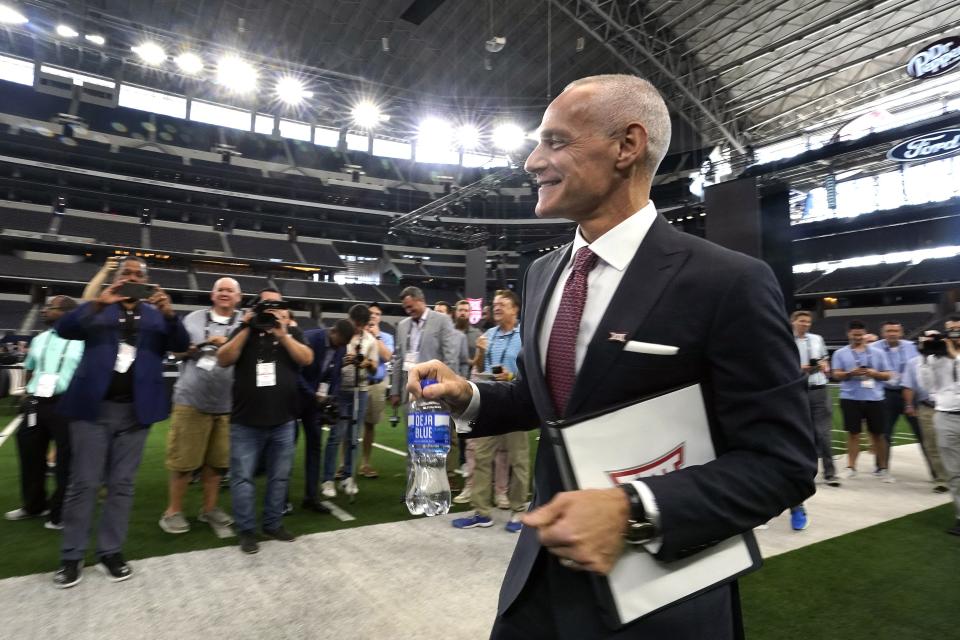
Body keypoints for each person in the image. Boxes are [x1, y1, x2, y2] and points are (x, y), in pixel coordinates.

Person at [407, 74, 815, 638]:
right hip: (536, 588)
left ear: (627, 145)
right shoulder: (544, 272)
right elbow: (545, 399)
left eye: (555, 141)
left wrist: (633, 508)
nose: (530, 161)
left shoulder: (729, 281)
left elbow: (782, 464)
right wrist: (469, 396)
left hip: (662, 601)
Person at [53, 257, 189, 588]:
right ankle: (72, 556)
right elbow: (62, 328)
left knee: (123, 485)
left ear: (147, 281)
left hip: (135, 413)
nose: (130, 277)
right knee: (83, 483)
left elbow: (182, 345)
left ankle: (111, 551)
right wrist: (98, 303)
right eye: (125, 273)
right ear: (116, 279)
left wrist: (171, 316)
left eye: (137, 274)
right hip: (93, 411)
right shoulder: (100, 308)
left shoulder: (158, 315)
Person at [216, 289, 313, 554]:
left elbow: (307, 359)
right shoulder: (243, 330)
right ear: (256, 307)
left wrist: (282, 334)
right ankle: (247, 530)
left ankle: (273, 523)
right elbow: (223, 359)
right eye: (266, 305)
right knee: (242, 478)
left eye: (277, 305)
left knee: (279, 477)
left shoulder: (291, 332)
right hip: (245, 421)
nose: (271, 310)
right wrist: (247, 326)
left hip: (283, 420)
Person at [159, 278, 242, 536]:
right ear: (212, 294)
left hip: (227, 404)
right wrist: (195, 348)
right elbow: (174, 351)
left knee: (216, 464)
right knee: (184, 462)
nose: (225, 293)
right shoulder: (194, 319)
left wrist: (226, 346)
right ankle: (172, 511)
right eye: (221, 290)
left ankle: (209, 508)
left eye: (230, 290)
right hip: (191, 400)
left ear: (239, 297)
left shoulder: (245, 323)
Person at [453, 289, 529, 534]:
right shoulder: (489, 334)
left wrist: (512, 375)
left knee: (518, 460)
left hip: (516, 403)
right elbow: (481, 368)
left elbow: (533, 370)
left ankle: (519, 511)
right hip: (491, 403)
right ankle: (481, 512)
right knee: (482, 458)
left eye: (503, 304)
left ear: (515, 309)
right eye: (495, 304)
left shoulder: (525, 335)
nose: (496, 308)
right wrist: (482, 351)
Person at [6, 296, 83, 530]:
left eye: (51, 307)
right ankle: (33, 505)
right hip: (37, 403)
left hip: (67, 403)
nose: (44, 310)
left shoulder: (83, 340)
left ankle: (59, 511)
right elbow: (29, 368)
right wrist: (25, 395)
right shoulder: (39, 339)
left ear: (67, 313)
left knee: (66, 461)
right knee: (29, 455)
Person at [321, 304, 378, 498]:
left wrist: (365, 363)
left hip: (360, 390)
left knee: (354, 436)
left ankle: (348, 476)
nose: (359, 328)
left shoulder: (370, 341)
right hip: (340, 390)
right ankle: (328, 479)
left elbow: (374, 368)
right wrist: (344, 361)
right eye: (357, 324)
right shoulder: (340, 335)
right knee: (336, 435)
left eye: (363, 325)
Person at [298, 318, 352, 510]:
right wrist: (312, 395)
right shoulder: (310, 338)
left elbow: (335, 375)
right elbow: (296, 373)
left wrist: (331, 397)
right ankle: (281, 500)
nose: (341, 348)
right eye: (340, 343)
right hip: (295, 400)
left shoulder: (342, 347)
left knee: (315, 448)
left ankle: (311, 497)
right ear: (333, 332)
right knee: (285, 450)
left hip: (316, 404)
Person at [832, 320, 894, 481]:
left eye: (860, 334)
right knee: (853, 434)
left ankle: (883, 469)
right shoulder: (840, 353)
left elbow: (888, 375)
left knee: (878, 435)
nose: (858, 337)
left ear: (865, 334)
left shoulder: (878, 353)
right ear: (849, 334)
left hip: (874, 398)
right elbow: (835, 375)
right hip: (850, 398)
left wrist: (874, 373)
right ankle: (851, 467)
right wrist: (850, 373)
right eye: (855, 335)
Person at [917, 317, 960, 536]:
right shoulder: (936, 357)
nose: (953, 335)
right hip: (944, 415)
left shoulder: (954, 355)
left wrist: (956, 357)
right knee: (953, 471)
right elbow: (926, 386)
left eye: (957, 331)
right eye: (950, 331)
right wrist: (925, 358)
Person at [871, 321, 924, 472]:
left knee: (922, 433)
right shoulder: (874, 348)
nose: (892, 333)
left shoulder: (911, 347)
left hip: (910, 393)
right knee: (884, 432)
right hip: (886, 393)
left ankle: (937, 472)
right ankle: (881, 468)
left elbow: (918, 369)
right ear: (883, 333)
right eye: (889, 331)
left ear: (901, 332)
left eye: (895, 331)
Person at [901, 339, 951, 493]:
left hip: (950, 408)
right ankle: (941, 479)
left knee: (953, 443)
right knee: (931, 444)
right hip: (927, 407)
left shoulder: (952, 359)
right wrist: (909, 405)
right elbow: (909, 385)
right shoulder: (913, 363)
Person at [361, 302, 394, 479]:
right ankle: (343, 465)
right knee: (349, 425)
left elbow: (387, 356)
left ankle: (365, 463)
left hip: (377, 384)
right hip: (357, 383)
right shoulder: (358, 334)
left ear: (380, 317)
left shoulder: (386, 337)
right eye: (371, 313)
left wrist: (376, 337)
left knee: (369, 425)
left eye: (377, 314)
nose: (374, 316)